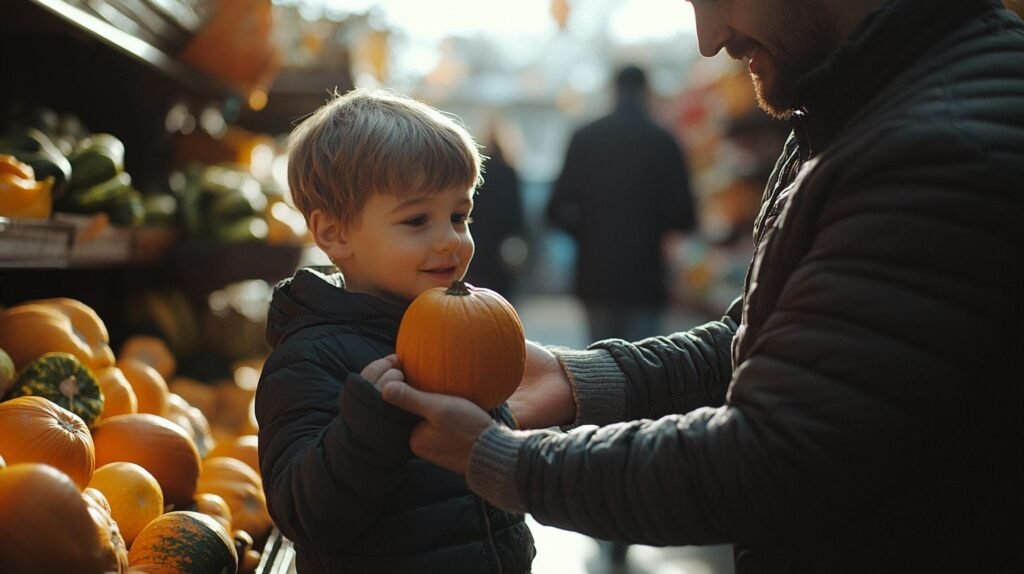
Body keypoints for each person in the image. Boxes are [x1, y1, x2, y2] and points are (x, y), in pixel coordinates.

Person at [366, 0, 1024, 571]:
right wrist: (582, 382)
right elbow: (773, 345)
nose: (710, 38)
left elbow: (767, 462)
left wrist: (508, 461)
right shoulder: (860, 101)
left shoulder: (935, 144)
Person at [255, 89, 535, 574]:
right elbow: (302, 513)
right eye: (417, 220)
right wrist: (370, 419)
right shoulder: (310, 358)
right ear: (335, 234)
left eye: (458, 216)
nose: (451, 239)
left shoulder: (455, 327)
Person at [546, 64, 697, 344]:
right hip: (646, 276)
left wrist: (587, 232)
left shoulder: (584, 138)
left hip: (595, 274)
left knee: (599, 360)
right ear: (646, 92)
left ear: (613, 91)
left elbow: (555, 210)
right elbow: (685, 215)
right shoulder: (664, 141)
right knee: (641, 366)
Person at [462, 117, 528, 301]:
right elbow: (517, 211)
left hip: (479, 241)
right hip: (503, 242)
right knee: (502, 294)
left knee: (477, 291)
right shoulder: (509, 172)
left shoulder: (477, 173)